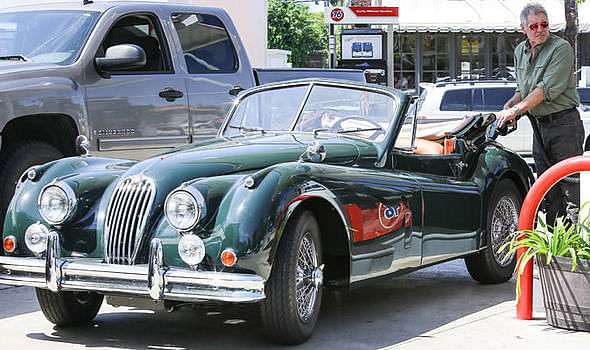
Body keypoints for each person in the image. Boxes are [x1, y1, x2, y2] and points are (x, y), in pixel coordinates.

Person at [496, 3, 584, 225]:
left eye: (544, 24)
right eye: (534, 25)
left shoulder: (561, 48)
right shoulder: (520, 51)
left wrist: (517, 109)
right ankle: (554, 246)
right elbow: (523, 89)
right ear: (523, 28)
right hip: (539, 126)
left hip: (564, 124)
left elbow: (543, 90)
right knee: (547, 186)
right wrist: (511, 104)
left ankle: (572, 247)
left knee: (570, 186)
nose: (540, 29)